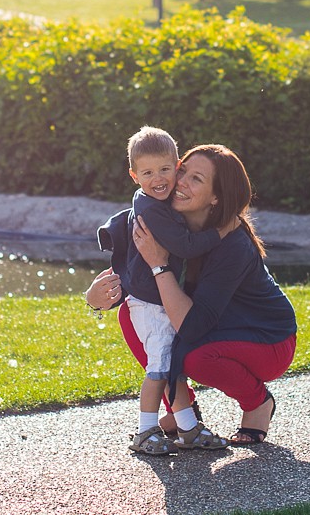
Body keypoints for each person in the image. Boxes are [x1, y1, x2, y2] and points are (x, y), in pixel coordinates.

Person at [87, 144, 296, 446]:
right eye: (182, 170)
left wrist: (159, 263)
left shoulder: (232, 244)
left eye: (196, 179)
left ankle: (257, 403)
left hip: (266, 339)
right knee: (132, 314)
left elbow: (192, 326)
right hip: (213, 327)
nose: (180, 181)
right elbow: (136, 283)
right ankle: (185, 411)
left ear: (216, 197)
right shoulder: (162, 218)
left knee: (199, 359)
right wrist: (94, 299)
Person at [95, 127, 227, 455]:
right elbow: (184, 244)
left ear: (177, 165)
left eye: (165, 170)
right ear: (134, 175)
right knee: (159, 369)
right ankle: (145, 431)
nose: (159, 179)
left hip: (159, 298)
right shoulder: (151, 208)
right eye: (148, 173)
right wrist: (220, 233)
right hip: (149, 302)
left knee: (172, 366)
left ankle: (188, 429)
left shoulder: (158, 199)